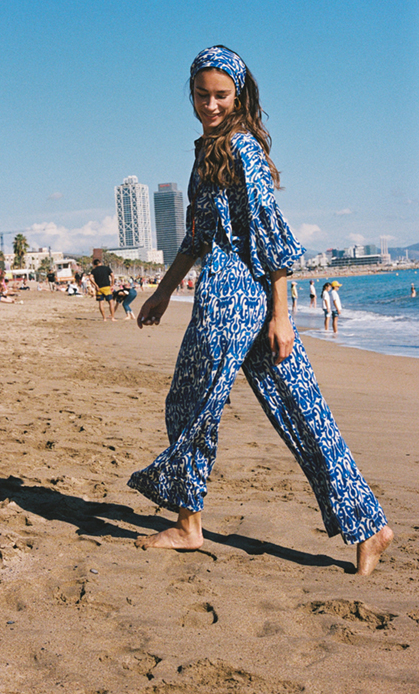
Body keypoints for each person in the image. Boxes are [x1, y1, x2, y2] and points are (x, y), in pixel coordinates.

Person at [128, 45, 392, 575]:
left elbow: (271, 235)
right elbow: (198, 236)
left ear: (240, 94)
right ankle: (371, 527)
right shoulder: (207, 152)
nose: (210, 104)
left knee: (190, 404)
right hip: (235, 295)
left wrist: (281, 314)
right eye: (202, 95)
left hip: (234, 299)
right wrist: (163, 291)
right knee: (302, 410)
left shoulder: (242, 150)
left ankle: (189, 526)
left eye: (221, 95)